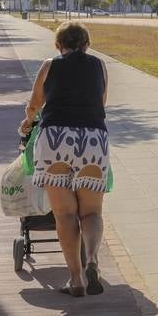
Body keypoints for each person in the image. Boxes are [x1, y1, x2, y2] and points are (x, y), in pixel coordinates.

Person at [20, 22, 109, 297]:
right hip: (93, 139)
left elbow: (35, 103)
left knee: (65, 214)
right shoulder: (99, 66)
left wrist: (28, 122)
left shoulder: (50, 65)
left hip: (55, 139)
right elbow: (102, 102)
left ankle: (77, 278)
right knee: (91, 212)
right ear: (87, 44)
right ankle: (92, 258)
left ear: (59, 45)